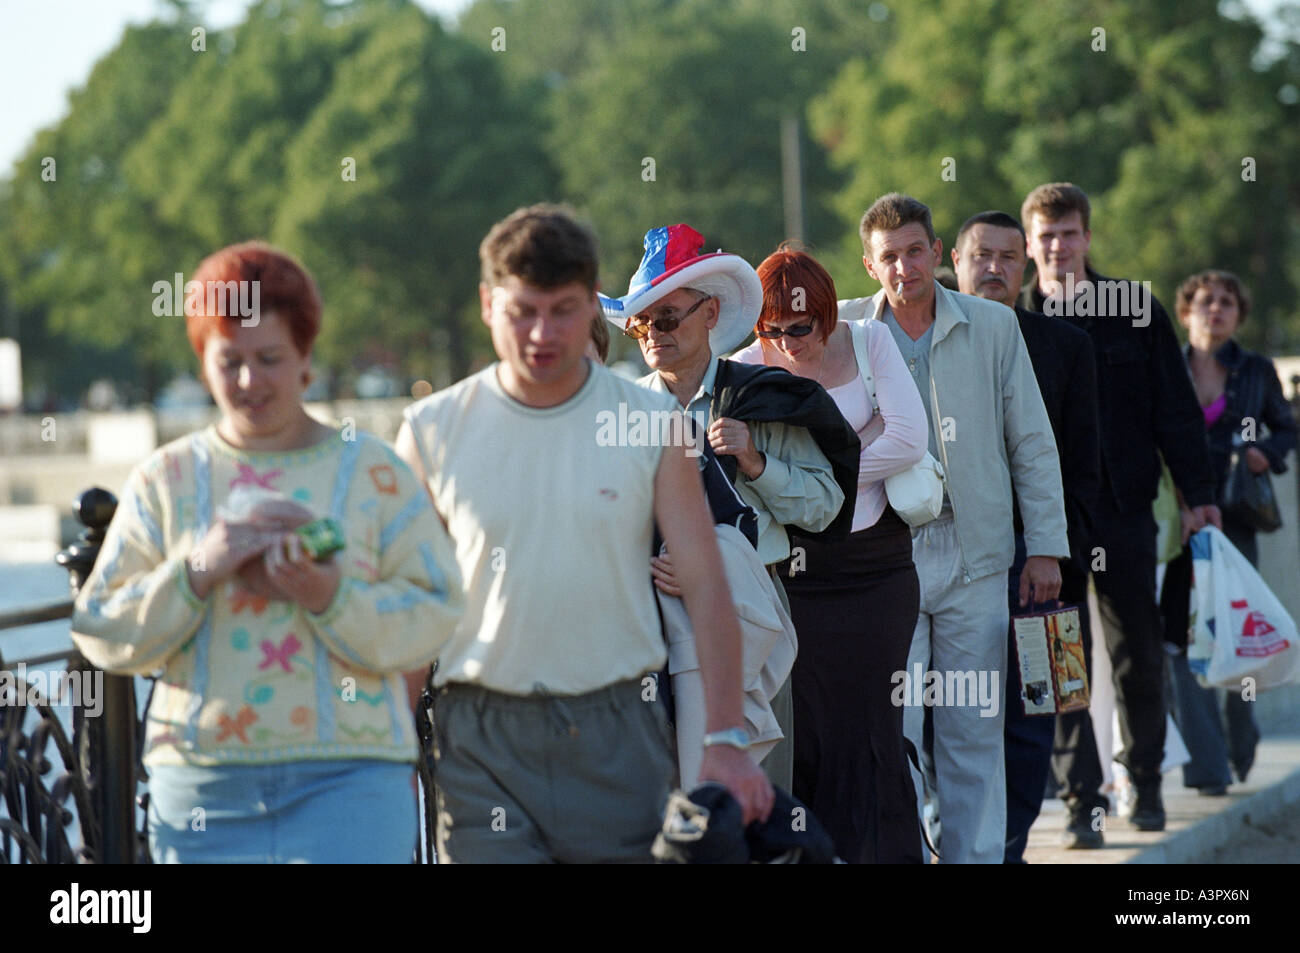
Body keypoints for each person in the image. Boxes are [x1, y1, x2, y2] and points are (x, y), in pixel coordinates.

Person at [395, 204, 773, 863]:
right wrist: (391, 747)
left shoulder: (651, 423)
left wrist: (726, 738)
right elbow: (411, 608)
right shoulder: (431, 430)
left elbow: (708, 584)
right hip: (479, 741)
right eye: (523, 310)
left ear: (594, 309)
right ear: (488, 305)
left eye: (564, 309)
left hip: (616, 733)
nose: (542, 332)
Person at [70, 242, 463, 863]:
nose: (250, 381)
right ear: (203, 363)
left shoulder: (375, 474)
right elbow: (100, 625)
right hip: (203, 789)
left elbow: (439, 609)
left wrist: (330, 597)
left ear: (306, 356)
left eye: (270, 358)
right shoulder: (165, 480)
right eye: (231, 362)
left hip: (350, 787)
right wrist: (199, 569)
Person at [840, 193, 1069, 864]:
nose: (904, 267)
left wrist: (1047, 548)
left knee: (973, 731)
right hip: (889, 559)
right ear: (869, 265)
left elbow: (1032, 440)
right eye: (889, 257)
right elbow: (765, 337)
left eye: (915, 251)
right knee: (896, 728)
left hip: (978, 557)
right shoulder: (850, 330)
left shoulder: (994, 327)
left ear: (937, 253)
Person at [600, 223, 856, 791]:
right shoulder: (619, 411)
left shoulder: (766, 395)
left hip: (751, 604)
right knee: (662, 782)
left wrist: (758, 462)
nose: (652, 335)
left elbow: (824, 507)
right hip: (648, 615)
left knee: (759, 781)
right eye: (642, 324)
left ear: (710, 315)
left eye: (667, 318)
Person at [1019, 182, 1220, 834]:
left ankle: (1145, 782)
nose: (1057, 246)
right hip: (1047, 520)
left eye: (1069, 233)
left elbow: (1176, 408)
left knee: (1137, 653)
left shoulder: (1134, 308)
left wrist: (1199, 495)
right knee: (1059, 659)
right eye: (1045, 236)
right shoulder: (1010, 318)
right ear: (1029, 243)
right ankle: (1082, 801)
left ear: (1088, 236)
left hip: (1126, 507)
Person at [730, 245, 929, 863]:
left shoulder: (869, 341)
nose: (789, 342)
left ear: (827, 314)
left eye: (802, 326)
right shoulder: (742, 366)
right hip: (795, 579)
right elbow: (736, 476)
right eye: (774, 329)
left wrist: (810, 483)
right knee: (809, 733)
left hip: (877, 570)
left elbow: (910, 437)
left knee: (874, 730)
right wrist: (840, 465)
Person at [950, 211, 1102, 856]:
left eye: (1009, 257)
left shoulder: (1065, 346)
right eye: (980, 254)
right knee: (950, 713)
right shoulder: (908, 339)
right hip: (945, 558)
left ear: (1027, 267)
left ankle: (1009, 844)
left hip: (1039, 565)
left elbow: (1081, 464)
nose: (993, 267)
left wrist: (1064, 564)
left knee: (1040, 706)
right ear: (950, 261)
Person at [1166, 269, 1296, 792]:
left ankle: (1241, 733)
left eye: (1226, 302)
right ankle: (1207, 765)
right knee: (1182, 640)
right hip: (1177, 519)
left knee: (1239, 635)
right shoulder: (1166, 367)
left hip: (1235, 515)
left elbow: (1287, 425)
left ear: (1239, 314)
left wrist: (1267, 451)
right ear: (1185, 311)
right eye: (1205, 301)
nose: (1215, 309)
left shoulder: (1255, 370)